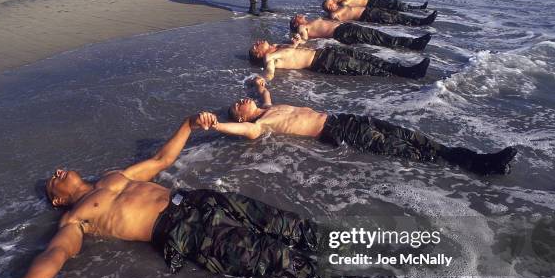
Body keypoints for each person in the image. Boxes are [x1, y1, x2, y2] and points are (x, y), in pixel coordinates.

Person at [0, 113, 443, 278]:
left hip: (201, 200)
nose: (56, 173)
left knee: (297, 227)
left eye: (56, 170)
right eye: (51, 183)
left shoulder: (112, 176)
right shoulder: (77, 219)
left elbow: (160, 159)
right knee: (282, 260)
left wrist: (186, 124)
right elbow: (53, 257)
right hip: (187, 233)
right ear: (58, 202)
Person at [207, 77, 518, 175]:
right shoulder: (260, 123)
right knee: (400, 149)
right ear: (242, 117)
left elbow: (264, 92)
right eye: (239, 105)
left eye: (240, 100)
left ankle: (473, 158)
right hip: (337, 133)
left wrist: (261, 85)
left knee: (411, 136)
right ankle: (478, 166)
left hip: (344, 119)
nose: (241, 101)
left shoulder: (268, 106)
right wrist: (218, 125)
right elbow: (246, 133)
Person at [249, 40, 430, 80]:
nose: (257, 42)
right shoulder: (269, 57)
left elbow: (293, 51)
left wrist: (295, 42)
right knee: (365, 68)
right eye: (255, 46)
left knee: (368, 58)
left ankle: (404, 69)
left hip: (325, 53)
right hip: (323, 62)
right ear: (259, 54)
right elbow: (269, 71)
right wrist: (264, 79)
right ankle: (407, 75)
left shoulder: (279, 47)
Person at [290, 14, 432, 51]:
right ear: (296, 23)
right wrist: (298, 40)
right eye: (297, 17)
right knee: (375, 36)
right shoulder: (302, 28)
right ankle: (411, 44)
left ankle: (410, 43)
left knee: (374, 36)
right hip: (342, 32)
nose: (300, 15)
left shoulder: (308, 23)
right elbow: (304, 40)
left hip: (344, 29)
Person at [325, 2, 438, 26]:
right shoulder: (334, 13)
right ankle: (421, 22)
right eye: (330, 5)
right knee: (394, 19)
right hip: (367, 15)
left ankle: (420, 20)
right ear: (329, 8)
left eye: (332, 3)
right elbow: (334, 19)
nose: (333, 4)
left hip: (369, 11)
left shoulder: (340, 8)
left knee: (395, 15)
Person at [323, 0, 428, 12]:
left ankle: (415, 8)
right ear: (335, 0)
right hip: (371, 3)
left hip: (372, 0)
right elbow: (345, 7)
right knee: (393, 5)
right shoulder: (344, 2)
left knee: (394, 3)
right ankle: (417, 9)